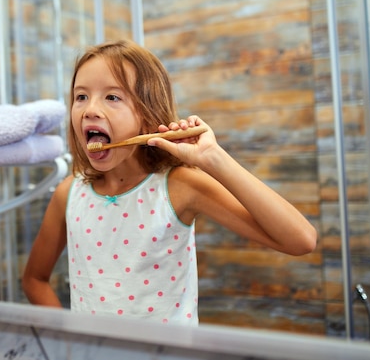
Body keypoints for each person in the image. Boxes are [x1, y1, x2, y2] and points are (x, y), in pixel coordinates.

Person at [21, 39, 317, 326]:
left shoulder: (180, 187)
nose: (90, 110)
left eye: (112, 97)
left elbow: (301, 240)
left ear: (148, 115)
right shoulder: (69, 194)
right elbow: (34, 280)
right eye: (81, 96)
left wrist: (214, 158)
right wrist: (71, 340)